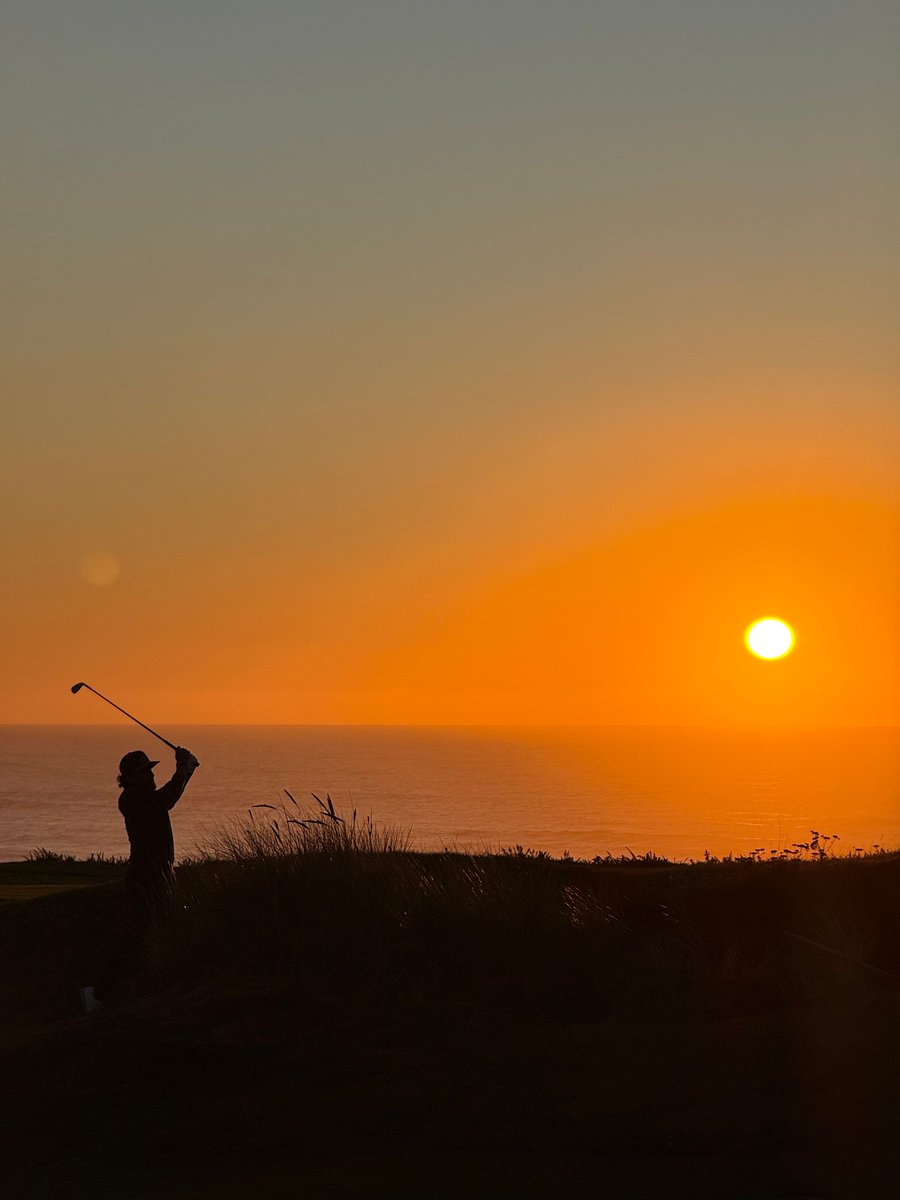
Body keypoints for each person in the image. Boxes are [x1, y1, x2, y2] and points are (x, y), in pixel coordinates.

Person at [81, 744, 199, 1013]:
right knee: (135, 935)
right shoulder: (133, 799)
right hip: (145, 877)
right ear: (131, 778)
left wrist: (187, 769)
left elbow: (168, 796)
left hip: (159, 873)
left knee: (162, 932)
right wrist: (184, 768)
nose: (151, 776)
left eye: (150, 771)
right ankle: (98, 992)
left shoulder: (145, 797)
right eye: (145, 772)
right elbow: (166, 799)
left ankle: (149, 989)